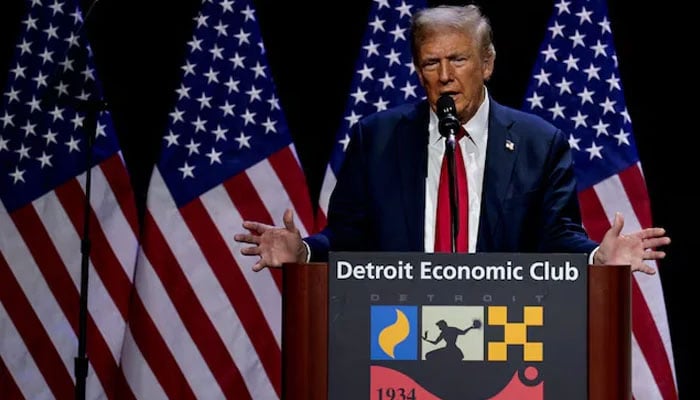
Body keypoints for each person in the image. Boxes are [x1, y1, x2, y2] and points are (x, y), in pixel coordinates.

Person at [234, 4, 669, 274]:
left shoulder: (540, 143)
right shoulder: (377, 138)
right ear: (418, 70)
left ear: (487, 63)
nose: (444, 77)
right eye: (431, 63)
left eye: (458, 59)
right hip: (396, 331)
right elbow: (350, 237)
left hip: (505, 332)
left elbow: (555, 238)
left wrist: (598, 258)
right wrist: (305, 251)